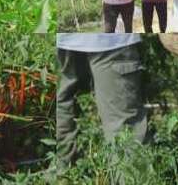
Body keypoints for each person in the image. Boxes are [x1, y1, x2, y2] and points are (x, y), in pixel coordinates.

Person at [56, 33, 147, 169]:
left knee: (62, 106)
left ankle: (63, 173)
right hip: (112, 40)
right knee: (122, 128)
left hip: (64, 37)